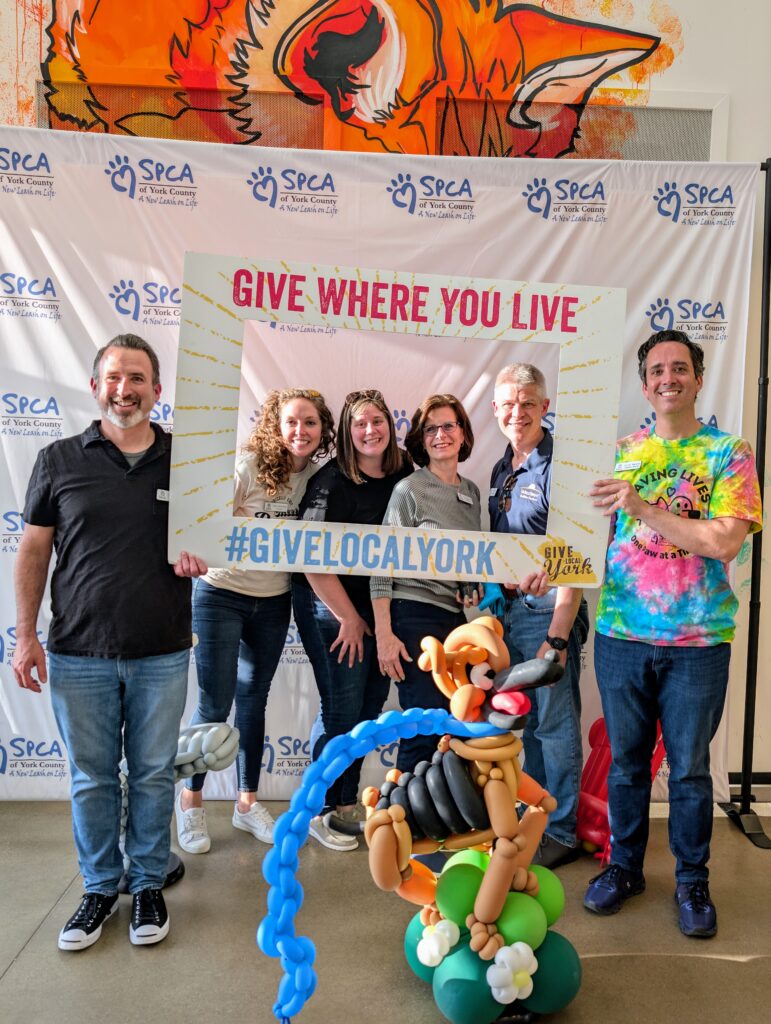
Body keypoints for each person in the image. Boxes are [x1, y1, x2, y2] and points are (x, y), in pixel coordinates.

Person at [12, 333, 206, 951]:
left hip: (162, 651)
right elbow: (34, 549)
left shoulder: (187, 463)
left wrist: (204, 557)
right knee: (92, 779)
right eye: (115, 378)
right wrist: (24, 636)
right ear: (97, 387)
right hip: (77, 653)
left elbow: (213, 542)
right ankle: (99, 888)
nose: (126, 390)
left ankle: (147, 884)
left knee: (151, 775)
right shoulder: (58, 459)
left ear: (157, 389)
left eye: (138, 378)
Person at [583, 329, 761, 937]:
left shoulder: (728, 454)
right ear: (644, 385)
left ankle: (692, 881)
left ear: (698, 378)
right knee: (626, 766)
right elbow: (586, 543)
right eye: (657, 370)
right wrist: (545, 570)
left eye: (679, 368)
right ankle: (624, 868)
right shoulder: (618, 454)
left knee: (688, 771)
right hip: (621, 635)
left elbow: (725, 541)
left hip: (698, 642)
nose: (668, 378)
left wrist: (643, 507)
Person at [175, 388, 335, 853]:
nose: (300, 431)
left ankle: (246, 804)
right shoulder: (248, 467)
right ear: (275, 426)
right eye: (291, 422)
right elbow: (201, 523)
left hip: (273, 599)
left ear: (322, 429)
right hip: (221, 595)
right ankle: (190, 801)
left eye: (310, 422)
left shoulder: (317, 480)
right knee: (213, 703)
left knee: (253, 700)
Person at [293, 389, 412, 851]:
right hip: (330, 607)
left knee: (368, 709)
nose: (370, 430)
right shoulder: (331, 482)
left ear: (389, 427)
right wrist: (348, 617)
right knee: (341, 711)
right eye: (360, 423)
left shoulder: (403, 473)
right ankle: (318, 809)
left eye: (377, 421)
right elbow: (310, 559)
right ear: (347, 432)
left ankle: (344, 803)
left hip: (378, 608)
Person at [489, 363, 588, 870]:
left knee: (554, 723)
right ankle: (538, 816)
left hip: (549, 613)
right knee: (529, 726)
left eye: (528, 403)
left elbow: (580, 556)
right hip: (510, 613)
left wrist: (558, 635)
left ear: (545, 407)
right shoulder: (501, 467)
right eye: (509, 403)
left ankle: (563, 830)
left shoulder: (561, 467)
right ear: (495, 410)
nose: (518, 412)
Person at [371, 394, 481, 772]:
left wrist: (469, 585)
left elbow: (467, 558)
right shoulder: (409, 490)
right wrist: (384, 634)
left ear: (463, 433)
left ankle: (441, 806)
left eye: (448, 426)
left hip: (455, 620)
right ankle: (402, 807)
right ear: (421, 439)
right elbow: (382, 562)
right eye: (430, 429)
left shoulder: (472, 492)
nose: (440, 435)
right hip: (413, 615)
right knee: (423, 724)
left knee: (455, 724)